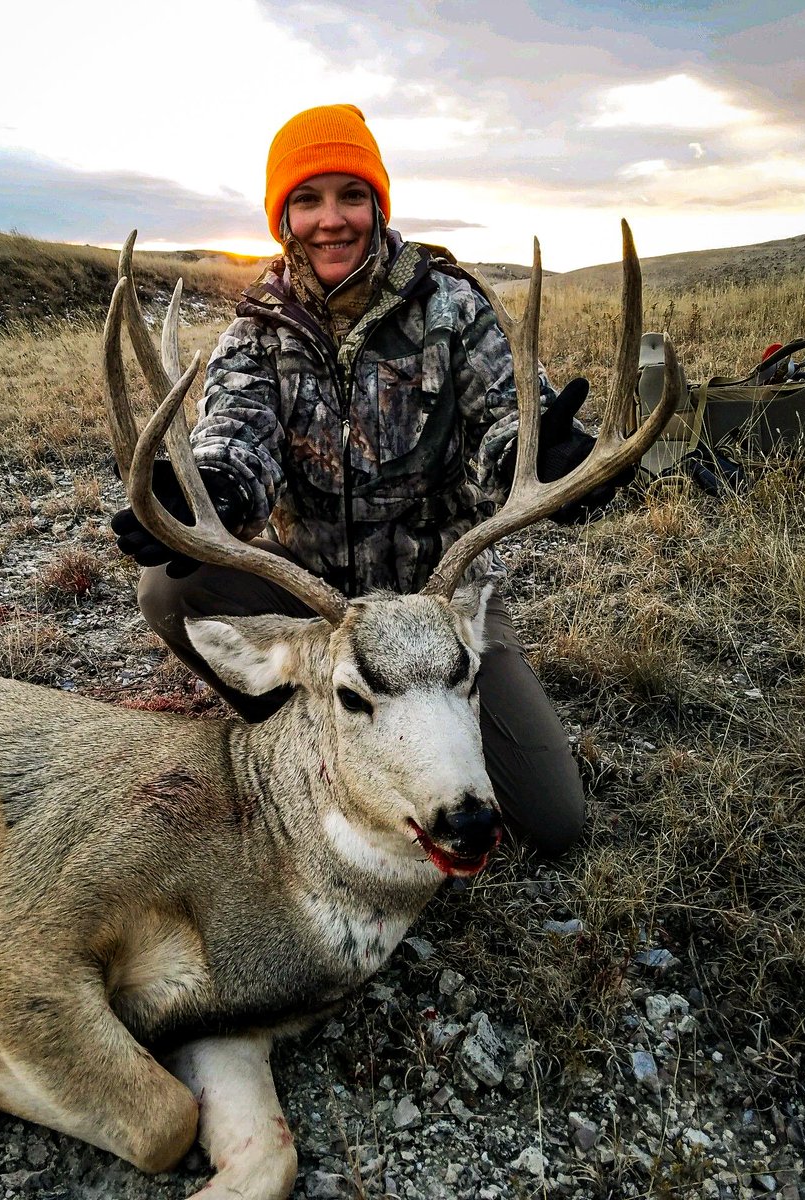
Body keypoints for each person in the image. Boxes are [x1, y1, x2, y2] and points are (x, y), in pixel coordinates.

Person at [111, 104, 631, 858]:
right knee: (169, 587)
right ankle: (319, 731)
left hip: (441, 607)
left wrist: (545, 454)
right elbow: (237, 439)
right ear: (283, 218)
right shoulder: (254, 333)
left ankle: (389, 728)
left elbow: (503, 425)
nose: (331, 220)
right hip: (323, 610)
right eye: (308, 200)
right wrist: (213, 492)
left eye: (351, 195)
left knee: (551, 821)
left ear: (378, 205)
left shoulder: (453, 308)